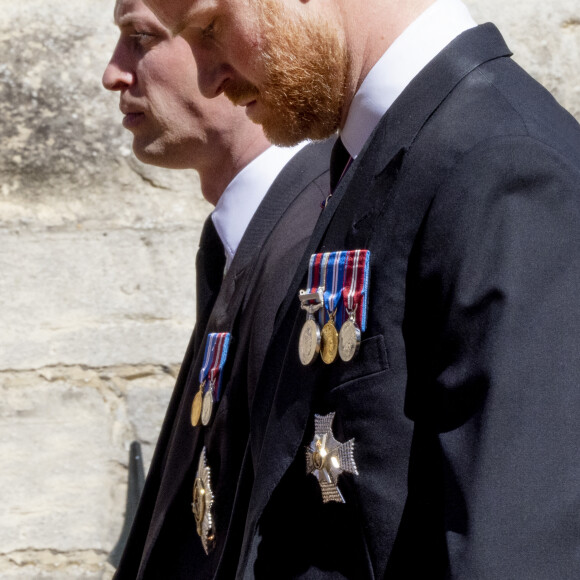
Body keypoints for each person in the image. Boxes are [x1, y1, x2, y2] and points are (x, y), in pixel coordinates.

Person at [144, 0, 580, 578]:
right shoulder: (381, 155)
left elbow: (517, 547)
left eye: (211, 26)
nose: (209, 77)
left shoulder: (502, 163)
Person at [102, 0, 334, 577]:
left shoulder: (315, 244)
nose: (113, 72)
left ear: (224, 38)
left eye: (140, 37)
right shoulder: (249, 237)